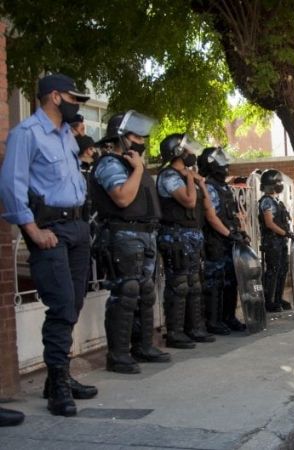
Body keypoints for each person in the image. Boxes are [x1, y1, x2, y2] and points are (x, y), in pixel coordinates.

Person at [0, 73, 97, 416]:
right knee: (61, 305)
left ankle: (60, 376)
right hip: (50, 229)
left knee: (73, 303)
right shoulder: (26, 134)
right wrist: (33, 230)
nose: (78, 105)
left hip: (76, 228)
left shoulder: (67, 136)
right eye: (74, 98)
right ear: (55, 97)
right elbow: (12, 185)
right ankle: (58, 386)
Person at [91, 111, 171, 373]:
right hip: (122, 235)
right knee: (126, 294)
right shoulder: (110, 164)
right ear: (121, 138)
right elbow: (123, 198)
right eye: (135, 136)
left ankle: (143, 346)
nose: (141, 141)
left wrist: (138, 168)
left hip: (145, 235)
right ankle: (118, 355)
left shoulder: (135, 165)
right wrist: (137, 168)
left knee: (145, 292)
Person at [157, 133, 215, 348]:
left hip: (193, 236)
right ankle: (175, 332)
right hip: (176, 236)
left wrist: (201, 183)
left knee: (194, 284)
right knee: (179, 285)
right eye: (187, 150)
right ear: (178, 152)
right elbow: (189, 202)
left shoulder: (189, 176)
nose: (191, 153)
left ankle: (195, 328)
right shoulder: (169, 176)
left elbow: (206, 204)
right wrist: (191, 179)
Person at [198, 146, 247, 334]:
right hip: (216, 242)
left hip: (229, 241)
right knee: (215, 282)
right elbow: (212, 217)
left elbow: (232, 214)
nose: (226, 166)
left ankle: (229, 317)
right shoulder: (209, 186)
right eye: (222, 162)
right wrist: (228, 234)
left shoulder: (224, 186)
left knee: (231, 281)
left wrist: (239, 232)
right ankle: (213, 321)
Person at [258, 169, 294, 312]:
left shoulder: (275, 200)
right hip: (272, 242)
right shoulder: (266, 201)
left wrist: (286, 235)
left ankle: (278, 299)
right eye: (278, 182)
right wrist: (285, 233)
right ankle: (269, 301)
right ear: (272, 185)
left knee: (282, 270)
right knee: (272, 271)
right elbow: (269, 223)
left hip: (280, 241)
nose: (280, 185)